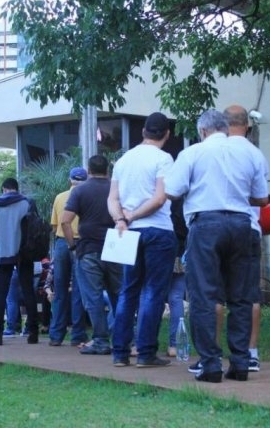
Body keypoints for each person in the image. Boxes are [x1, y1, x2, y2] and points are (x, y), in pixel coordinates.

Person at [164, 109, 268, 383]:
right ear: (226, 128)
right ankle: (241, 363)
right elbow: (260, 198)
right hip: (242, 224)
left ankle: (210, 363)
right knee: (242, 297)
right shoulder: (251, 153)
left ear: (202, 131)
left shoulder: (193, 154)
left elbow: (172, 191)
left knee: (204, 296)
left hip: (205, 224)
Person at [108, 112, 178, 368]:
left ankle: (120, 353)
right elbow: (161, 198)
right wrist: (135, 215)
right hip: (158, 230)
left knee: (128, 290)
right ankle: (146, 352)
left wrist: (121, 220)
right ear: (166, 135)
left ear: (143, 132)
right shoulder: (164, 159)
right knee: (153, 291)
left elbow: (112, 198)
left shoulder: (123, 160)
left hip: (127, 232)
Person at [62, 154, 122, 355]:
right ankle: (123, 339)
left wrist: (72, 246)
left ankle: (100, 340)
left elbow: (65, 221)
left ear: (88, 170)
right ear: (107, 170)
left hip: (88, 249)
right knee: (119, 294)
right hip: (116, 246)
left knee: (93, 297)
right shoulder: (116, 189)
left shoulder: (80, 191)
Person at [225, 104, 269, 372]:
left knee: (216, 294)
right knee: (249, 293)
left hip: (215, 227)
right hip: (249, 227)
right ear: (248, 126)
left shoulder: (214, 151)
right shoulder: (257, 155)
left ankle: (213, 353)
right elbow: (263, 198)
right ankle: (250, 351)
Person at [0, 177, 39, 346]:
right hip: (25, 251)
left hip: (3, 251)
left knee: (1, 292)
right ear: (17, 188)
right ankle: (33, 332)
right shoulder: (28, 202)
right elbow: (35, 225)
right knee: (28, 291)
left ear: (3, 189)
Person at [48, 167, 89, 347]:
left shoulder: (59, 197)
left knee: (60, 289)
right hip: (81, 243)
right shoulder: (88, 196)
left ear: (70, 179)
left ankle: (56, 335)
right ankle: (78, 335)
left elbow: (55, 224)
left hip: (62, 243)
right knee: (79, 290)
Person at [166, 197, 187, 358]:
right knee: (177, 297)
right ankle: (174, 344)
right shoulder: (184, 199)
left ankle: (141, 343)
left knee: (150, 295)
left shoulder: (158, 195)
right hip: (181, 252)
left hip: (159, 250)